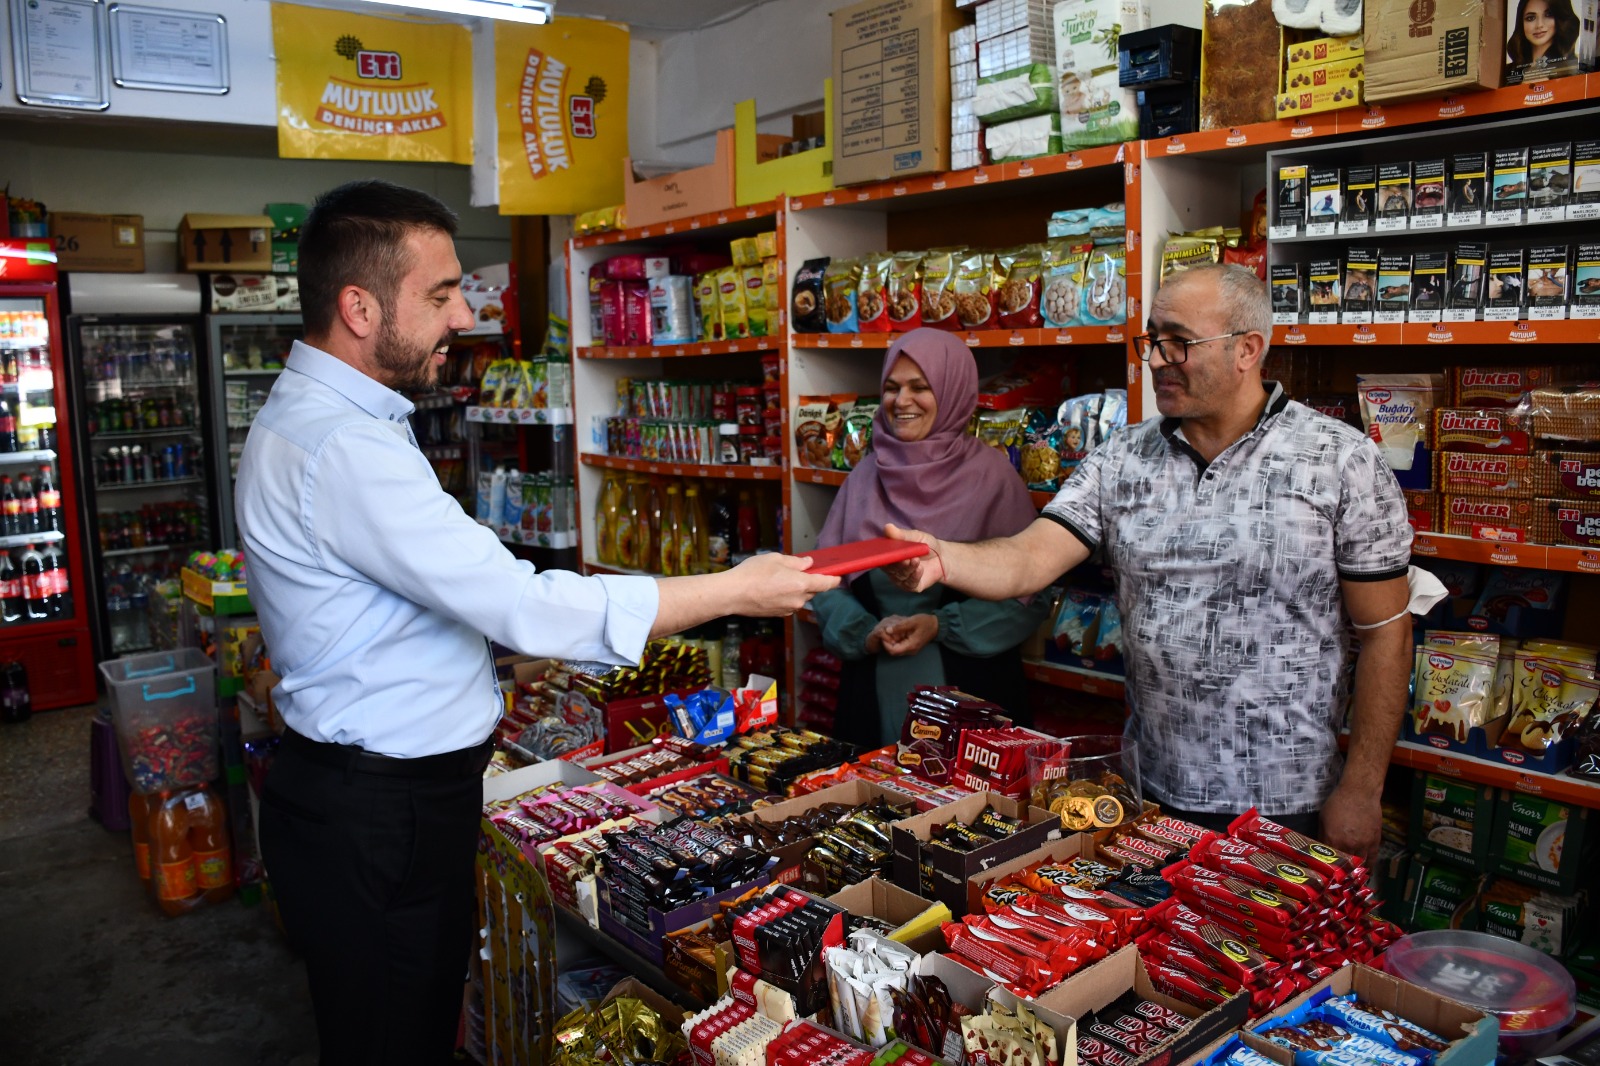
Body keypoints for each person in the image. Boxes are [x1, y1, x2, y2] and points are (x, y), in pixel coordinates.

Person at [235, 180, 838, 1065]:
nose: (461, 316)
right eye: (440, 295)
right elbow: (522, 603)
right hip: (378, 818)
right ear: (358, 307)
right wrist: (733, 589)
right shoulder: (342, 445)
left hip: (376, 805)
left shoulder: (339, 419)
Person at [884, 264, 1412, 862]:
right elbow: (1032, 556)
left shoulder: (1340, 462)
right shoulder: (1123, 458)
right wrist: (942, 558)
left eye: (1178, 342)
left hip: (1289, 800)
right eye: (1151, 340)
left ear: (1247, 350)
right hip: (1148, 794)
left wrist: (1363, 788)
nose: (1157, 359)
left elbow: (1386, 633)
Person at [810, 329, 1049, 746]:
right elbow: (824, 583)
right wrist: (865, 631)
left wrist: (941, 626)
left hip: (975, 699)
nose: (901, 401)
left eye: (920, 387)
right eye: (891, 387)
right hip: (870, 694)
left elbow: (1031, 598)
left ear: (954, 391)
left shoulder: (993, 478)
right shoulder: (865, 477)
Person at [1505, 0, 1581, 82]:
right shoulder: (1508, 72)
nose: (1539, 25)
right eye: (1530, 18)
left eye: (1548, 15)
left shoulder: (1576, 66)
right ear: (1521, 23)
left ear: (1560, 18)